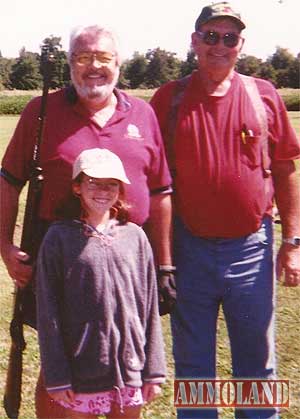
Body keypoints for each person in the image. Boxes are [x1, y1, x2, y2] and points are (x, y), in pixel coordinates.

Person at [0, 24, 173, 418]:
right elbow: (8, 182)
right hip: (61, 260)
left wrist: (163, 264)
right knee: (59, 356)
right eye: (82, 57)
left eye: (103, 57)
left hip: (127, 258)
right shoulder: (41, 112)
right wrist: (5, 247)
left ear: (119, 64)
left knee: (126, 350)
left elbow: (161, 191)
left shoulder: (142, 114)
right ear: (69, 64)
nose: (94, 66)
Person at [150, 2, 300, 418]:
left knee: (258, 364)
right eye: (211, 36)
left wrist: (292, 242)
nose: (220, 45)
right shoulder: (169, 98)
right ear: (195, 42)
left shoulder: (263, 94)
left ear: (241, 45)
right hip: (188, 249)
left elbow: (285, 168)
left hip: (251, 249)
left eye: (229, 37)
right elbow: (147, 172)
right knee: (194, 366)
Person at [36, 148, 166, 419]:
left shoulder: (135, 237)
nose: (103, 191)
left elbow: (149, 307)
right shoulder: (58, 238)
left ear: (120, 190)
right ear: (77, 187)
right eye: (94, 183)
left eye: (112, 185)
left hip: (129, 371)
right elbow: (48, 313)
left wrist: (153, 370)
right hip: (81, 372)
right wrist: (57, 375)